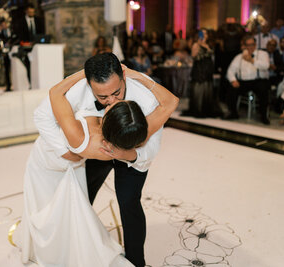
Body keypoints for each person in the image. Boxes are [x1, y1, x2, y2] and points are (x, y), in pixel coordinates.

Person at [21, 53, 179, 267]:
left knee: (129, 202)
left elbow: (149, 150)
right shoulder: (80, 89)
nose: (111, 101)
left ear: (124, 78)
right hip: (98, 149)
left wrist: (129, 155)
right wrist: (63, 150)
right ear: (90, 84)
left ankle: (136, 261)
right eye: (103, 97)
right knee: (82, 197)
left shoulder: (146, 99)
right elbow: (42, 115)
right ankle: (80, 244)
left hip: (130, 151)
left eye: (116, 92)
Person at [226, 35, 271, 124]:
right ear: (245, 46)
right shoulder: (239, 57)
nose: (250, 47)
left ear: (255, 45)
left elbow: (266, 66)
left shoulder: (262, 54)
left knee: (263, 90)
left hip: (258, 80)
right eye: (248, 45)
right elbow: (230, 70)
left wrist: (252, 60)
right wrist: (233, 80)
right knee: (231, 89)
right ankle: (233, 113)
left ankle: (263, 115)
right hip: (244, 81)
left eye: (252, 44)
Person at [183, 29, 220, 118]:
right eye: (202, 33)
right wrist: (199, 44)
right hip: (199, 69)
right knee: (199, 89)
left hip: (208, 69)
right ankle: (198, 109)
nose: (204, 35)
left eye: (205, 33)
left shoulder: (209, 44)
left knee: (207, 88)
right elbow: (193, 56)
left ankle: (206, 109)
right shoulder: (196, 44)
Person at [0, 18, 13, 91]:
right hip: (4, 53)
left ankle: (11, 84)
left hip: (11, 52)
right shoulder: (0, 33)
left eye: (5, 24)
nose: (4, 26)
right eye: (2, 25)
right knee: (6, 70)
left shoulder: (10, 31)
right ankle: (8, 85)